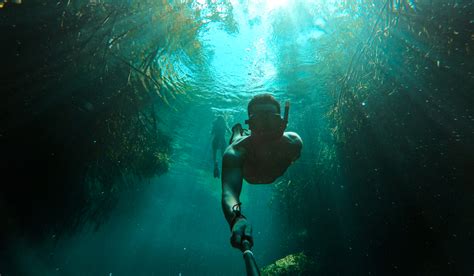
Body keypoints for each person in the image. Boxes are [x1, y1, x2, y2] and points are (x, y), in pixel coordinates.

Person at [221, 93, 303, 251]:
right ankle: (237, 132)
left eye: (270, 120)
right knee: (236, 140)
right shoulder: (235, 152)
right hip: (243, 145)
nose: (265, 129)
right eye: (258, 121)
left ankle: (240, 132)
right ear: (251, 124)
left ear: (282, 122)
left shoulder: (293, 144)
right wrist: (236, 218)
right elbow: (229, 192)